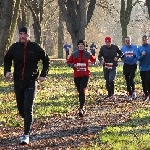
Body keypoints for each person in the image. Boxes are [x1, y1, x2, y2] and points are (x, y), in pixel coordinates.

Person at [4, 26, 50, 145]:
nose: (22, 36)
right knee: (21, 109)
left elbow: (46, 60)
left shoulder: (35, 47)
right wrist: (7, 71)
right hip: (18, 81)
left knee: (28, 107)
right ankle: (29, 122)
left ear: (28, 36)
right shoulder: (14, 47)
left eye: (25, 34)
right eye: (21, 34)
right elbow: (7, 59)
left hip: (31, 81)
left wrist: (43, 74)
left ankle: (26, 135)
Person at [67, 39, 96, 117]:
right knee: (79, 91)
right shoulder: (74, 54)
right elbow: (68, 62)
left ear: (84, 46)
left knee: (82, 90)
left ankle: (81, 108)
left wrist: (91, 63)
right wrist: (73, 65)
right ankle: (82, 106)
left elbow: (94, 60)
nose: (80, 47)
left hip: (85, 75)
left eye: (82, 45)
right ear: (77, 46)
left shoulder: (87, 54)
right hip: (76, 75)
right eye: (79, 45)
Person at [121, 36, 138, 100]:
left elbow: (137, 55)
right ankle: (130, 94)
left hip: (133, 65)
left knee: (131, 79)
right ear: (125, 41)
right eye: (126, 41)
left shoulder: (135, 47)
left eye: (129, 40)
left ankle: (133, 91)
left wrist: (136, 56)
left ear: (131, 41)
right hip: (126, 65)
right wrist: (122, 58)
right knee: (127, 81)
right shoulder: (123, 48)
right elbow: (121, 56)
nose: (127, 42)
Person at [137, 35, 150, 101]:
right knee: (143, 82)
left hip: (149, 67)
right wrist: (141, 55)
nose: (144, 40)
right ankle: (146, 94)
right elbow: (137, 58)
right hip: (142, 68)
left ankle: (149, 94)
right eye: (143, 39)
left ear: (147, 40)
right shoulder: (139, 48)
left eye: (145, 39)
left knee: (148, 80)